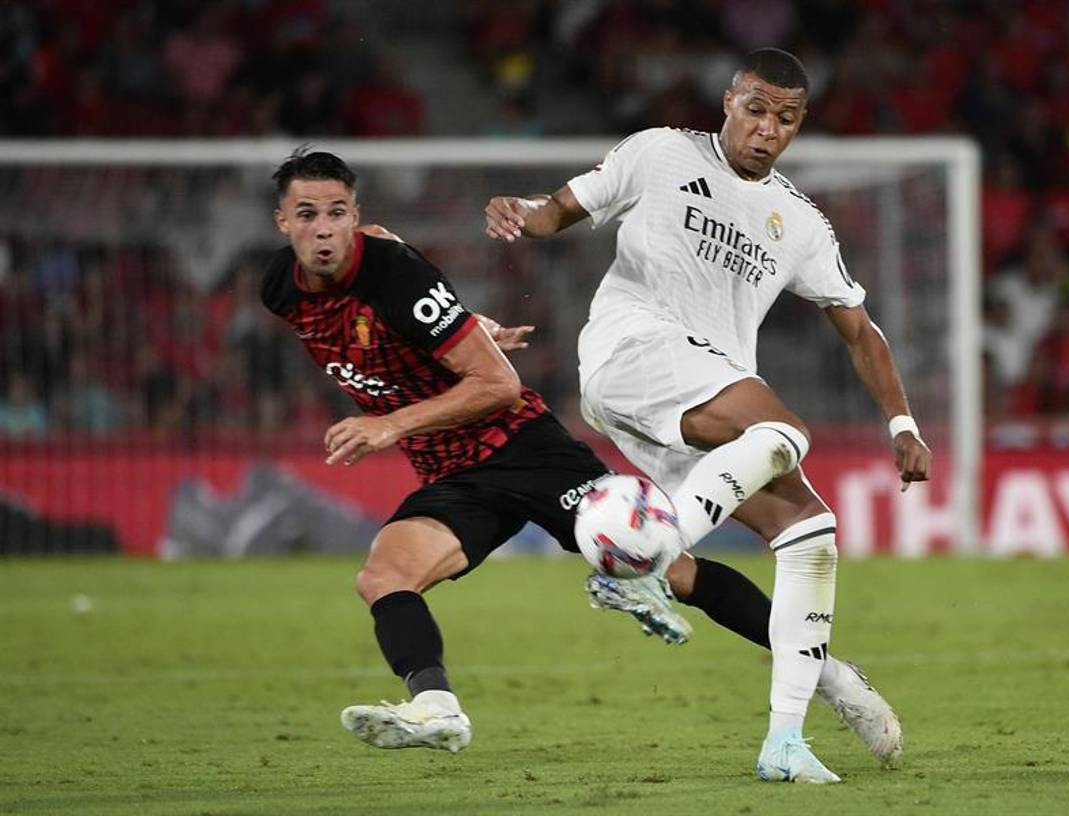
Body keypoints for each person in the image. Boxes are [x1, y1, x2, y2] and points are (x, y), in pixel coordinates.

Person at [262, 147, 858, 758]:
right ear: (283, 222)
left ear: (354, 215)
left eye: (336, 212)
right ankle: (436, 707)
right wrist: (466, 326)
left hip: (523, 447)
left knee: (667, 571)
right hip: (450, 472)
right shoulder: (280, 288)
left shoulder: (395, 275)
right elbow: (403, 308)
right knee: (383, 576)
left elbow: (500, 385)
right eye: (307, 214)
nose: (323, 227)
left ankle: (830, 675)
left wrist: (392, 422)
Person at [485, 48, 931, 783]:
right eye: (755, 109)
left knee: (811, 532)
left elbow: (860, 330)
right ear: (727, 101)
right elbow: (564, 208)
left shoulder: (800, 221)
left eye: (785, 118)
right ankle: (644, 563)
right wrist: (521, 213)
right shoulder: (660, 153)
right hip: (633, 348)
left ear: (799, 125)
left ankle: (786, 741)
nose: (766, 129)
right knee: (783, 432)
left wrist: (903, 424)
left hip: (699, 395)